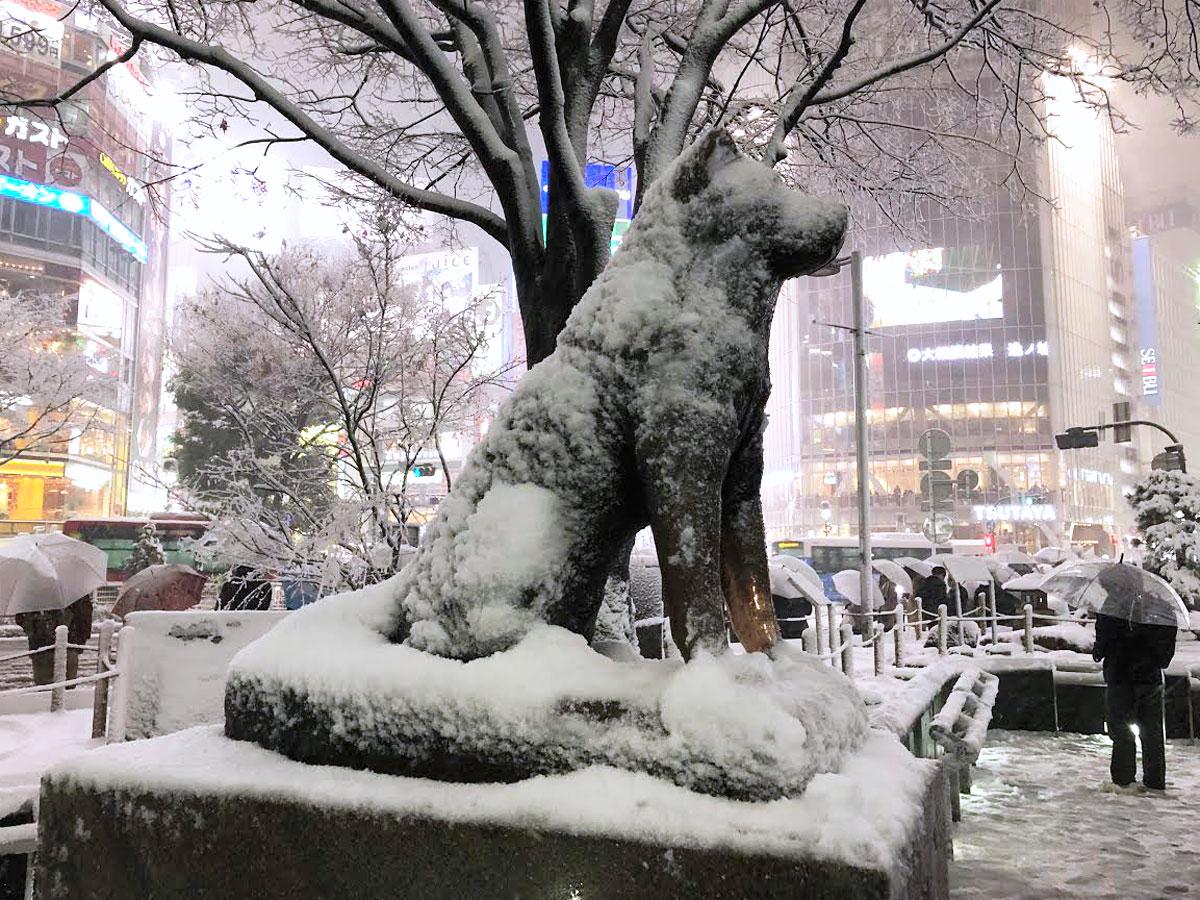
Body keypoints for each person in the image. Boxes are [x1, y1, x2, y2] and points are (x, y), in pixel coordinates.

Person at [1093, 611, 1177, 792]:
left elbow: (1101, 646)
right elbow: (1165, 656)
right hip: (1149, 679)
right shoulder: (1161, 609)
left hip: (1119, 676)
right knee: (1152, 733)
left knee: (1121, 731)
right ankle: (1155, 783)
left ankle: (1123, 781)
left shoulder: (1112, 608)